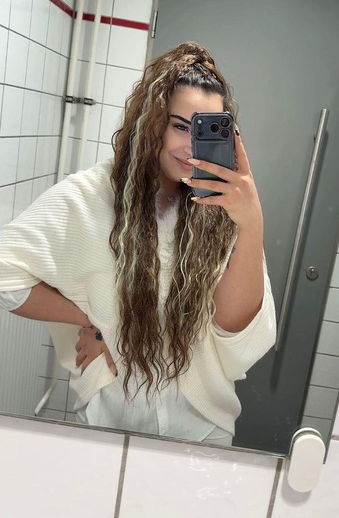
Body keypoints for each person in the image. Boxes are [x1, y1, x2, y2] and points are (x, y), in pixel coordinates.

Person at [0, 41, 276, 446]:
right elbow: (5, 272)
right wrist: (88, 320)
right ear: (151, 122)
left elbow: (238, 335)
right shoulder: (90, 197)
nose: (190, 147)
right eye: (179, 125)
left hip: (203, 429)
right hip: (108, 418)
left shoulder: (226, 210)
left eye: (204, 131)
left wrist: (252, 226)